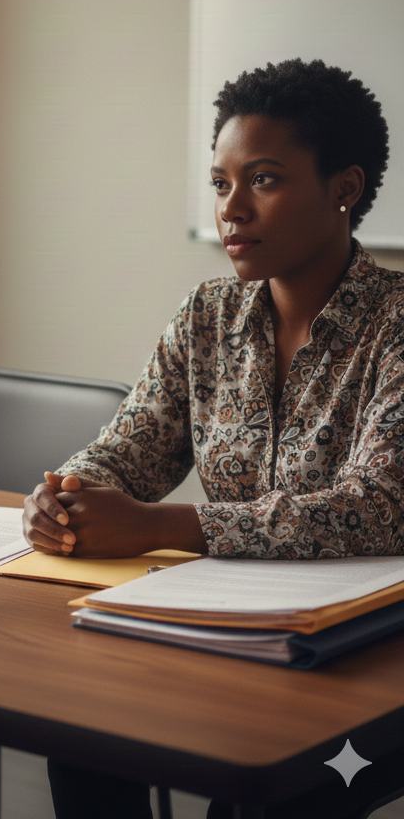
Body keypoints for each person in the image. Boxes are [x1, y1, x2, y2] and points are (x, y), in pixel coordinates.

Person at [23, 59, 404, 819]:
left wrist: (164, 526)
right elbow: (128, 448)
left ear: (344, 188)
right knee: (84, 734)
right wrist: (67, 493)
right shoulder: (208, 316)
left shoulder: (395, 325)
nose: (232, 209)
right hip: (226, 629)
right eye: (221, 183)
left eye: (263, 180)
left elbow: (380, 507)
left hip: (366, 661)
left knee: (264, 797)